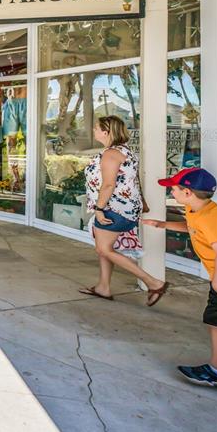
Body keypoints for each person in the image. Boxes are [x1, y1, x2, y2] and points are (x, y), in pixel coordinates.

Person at [142, 167, 217, 387]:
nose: (171, 193)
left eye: (174, 189)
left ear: (188, 193)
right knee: (216, 321)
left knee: (216, 321)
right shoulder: (195, 211)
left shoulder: (212, 217)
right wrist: (163, 225)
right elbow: (192, 228)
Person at [78, 115, 169, 305]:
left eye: (96, 128)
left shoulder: (111, 154)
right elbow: (132, 180)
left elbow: (109, 185)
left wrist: (99, 209)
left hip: (113, 209)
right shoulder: (124, 151)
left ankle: (153, 283)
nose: (94, 131)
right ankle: (103, 287)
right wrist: (142, 202)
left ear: (107, 131)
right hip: (123, 208)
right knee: (104, 249)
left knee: (104, 249)